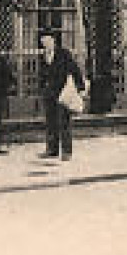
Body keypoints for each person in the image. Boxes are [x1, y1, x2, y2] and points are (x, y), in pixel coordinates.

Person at [37, 28, 85, 162]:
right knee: (50, 122)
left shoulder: (64, 54)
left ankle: (66, 151)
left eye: (47, 40)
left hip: (63, 92)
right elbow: (42, 74)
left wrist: (80, 87)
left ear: (53, 40)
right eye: (43, 41)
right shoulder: (43, 55)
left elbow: (75, 69)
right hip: (49, 93)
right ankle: (51, 149)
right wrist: (42, 88)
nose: (45, 43)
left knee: (64, 122)